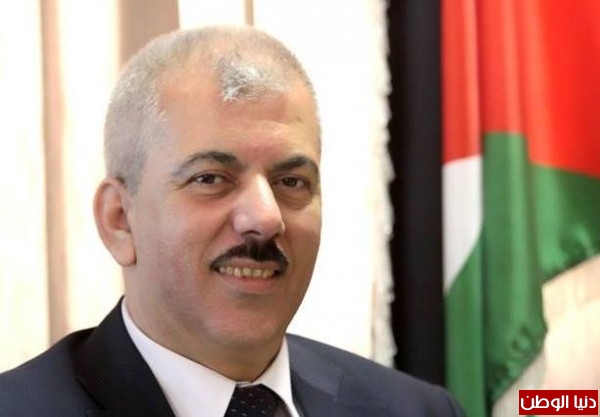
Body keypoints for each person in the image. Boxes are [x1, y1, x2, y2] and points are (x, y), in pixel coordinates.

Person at [0, 26, 464, 417]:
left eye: (291, 181)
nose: (265, 217)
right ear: (120, 220)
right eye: (210, 178)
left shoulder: (417, 410)